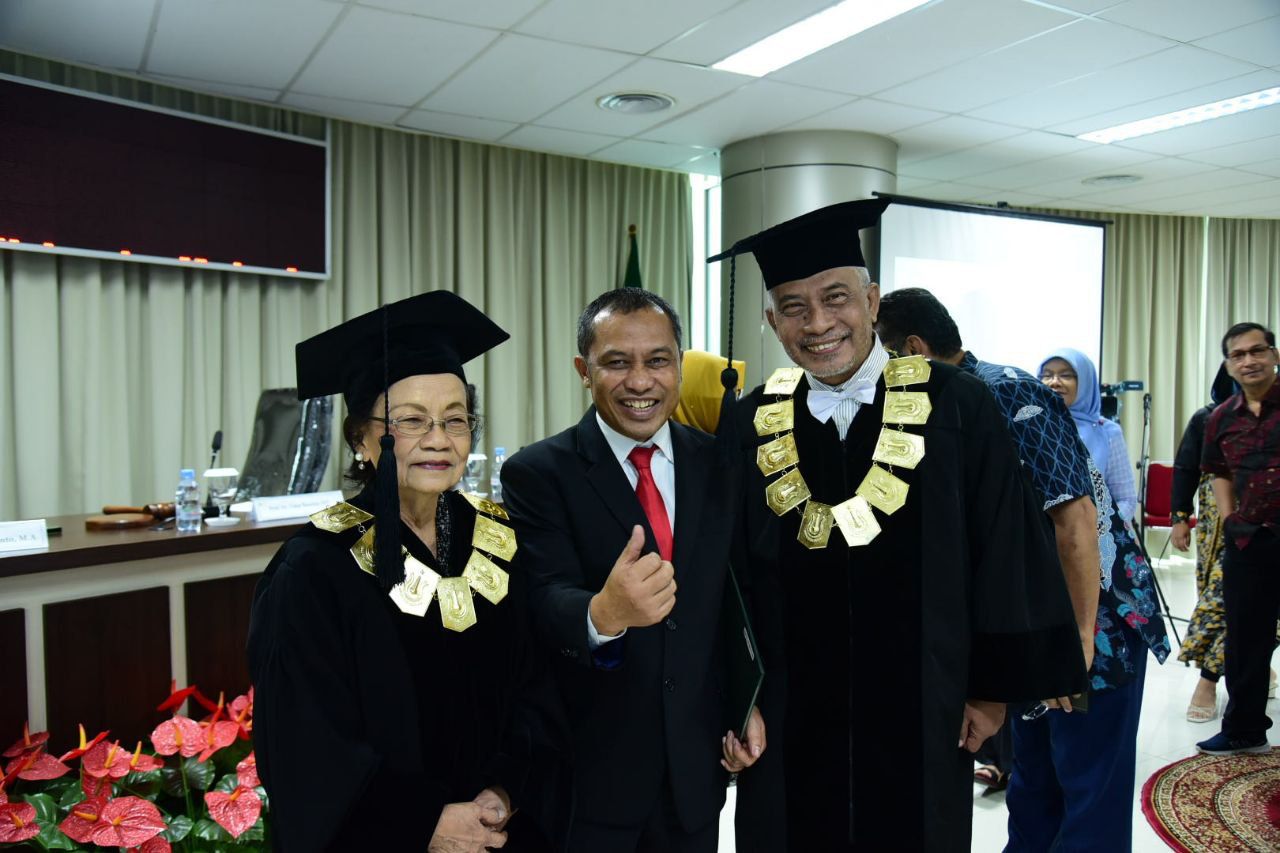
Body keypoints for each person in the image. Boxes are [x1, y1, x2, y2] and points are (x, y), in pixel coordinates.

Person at [714, 199, 1087, 852]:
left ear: (873, 299)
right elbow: (729, 579)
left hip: (927, 707)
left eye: (836, 297)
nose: (819, 322)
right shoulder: (751, 425)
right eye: (794, 307)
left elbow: (1003, 546)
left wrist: (991, 692)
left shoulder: (957, 406)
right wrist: (738, 699)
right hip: (792, 724)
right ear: (771, 320)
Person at [247, 291, 567, 852]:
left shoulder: (495, 539)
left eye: (455, 420)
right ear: (361, 439)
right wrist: (425, 823)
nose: (438, 440)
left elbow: (536, 686)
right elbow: (306, 745)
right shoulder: (315, 568)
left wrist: (504, 790)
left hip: (499, 834)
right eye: (411, 423)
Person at [877, 287, 1170, 852]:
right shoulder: (934, 407)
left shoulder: (1010, 395)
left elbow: (1075, 522)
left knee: (1088, 789)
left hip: (1092, 617)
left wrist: (1077, 640)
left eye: (880, 354)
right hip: (1028, 621)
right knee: (1033, 780)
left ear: (912, 348)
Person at [500, 288, 765, 853]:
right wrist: (603, 613)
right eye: (617, 362)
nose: (640, 382)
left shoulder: (720, 465)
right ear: (583, 369)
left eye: (658, 360)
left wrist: (747, 703)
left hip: (695, 774)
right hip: (590, 777)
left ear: (679, 362)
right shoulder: (538, 473)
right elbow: (542, 598)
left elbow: (734, 602)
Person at [1172, 365, 1276, 722]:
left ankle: (1231, 673)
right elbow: (1186, 468)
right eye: (1239, 357)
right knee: (1222, 603)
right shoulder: (1210, 417)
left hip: (1271, 523)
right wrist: (1179, 517)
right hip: (1223, 523)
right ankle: (1212, 679)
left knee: (1264, 610)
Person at [1195, 322, 1280, 756]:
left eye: (1257, 350)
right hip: (1249, 543)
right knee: (1246, 641)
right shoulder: (1220, 418)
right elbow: (1218, 471)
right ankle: (1245, 729)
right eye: (1238, 354)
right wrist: (1229, 518)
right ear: (1229, 363)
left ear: (1274, 355)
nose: (1249, 360)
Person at [1038, 348, 1138, 521]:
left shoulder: (1107, 432)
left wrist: (1101, 528)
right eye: (1046, 375)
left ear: (1085, 381)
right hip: (1039, 538)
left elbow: (1126, 500)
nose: (1054, 382)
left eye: (1066, 375)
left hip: (1092, 540)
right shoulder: (1032, 428)